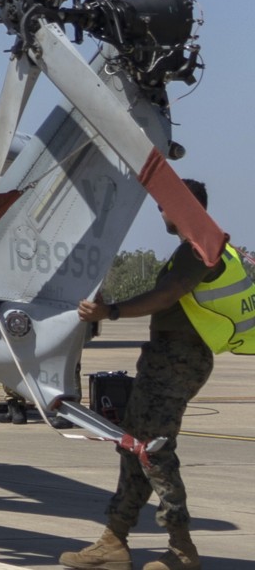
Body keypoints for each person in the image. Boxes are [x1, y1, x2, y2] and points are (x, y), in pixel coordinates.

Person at [61, 178, 249, 570]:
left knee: (153, 450)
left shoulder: (199, 249)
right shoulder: (205, 247)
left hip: (177, 360)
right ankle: (114, 541)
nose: (160, 212)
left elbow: (168, 294)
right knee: (135, 446)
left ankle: (181, 549)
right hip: (171, 358)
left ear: (183, 207)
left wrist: (110, 311)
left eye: (164, 205)